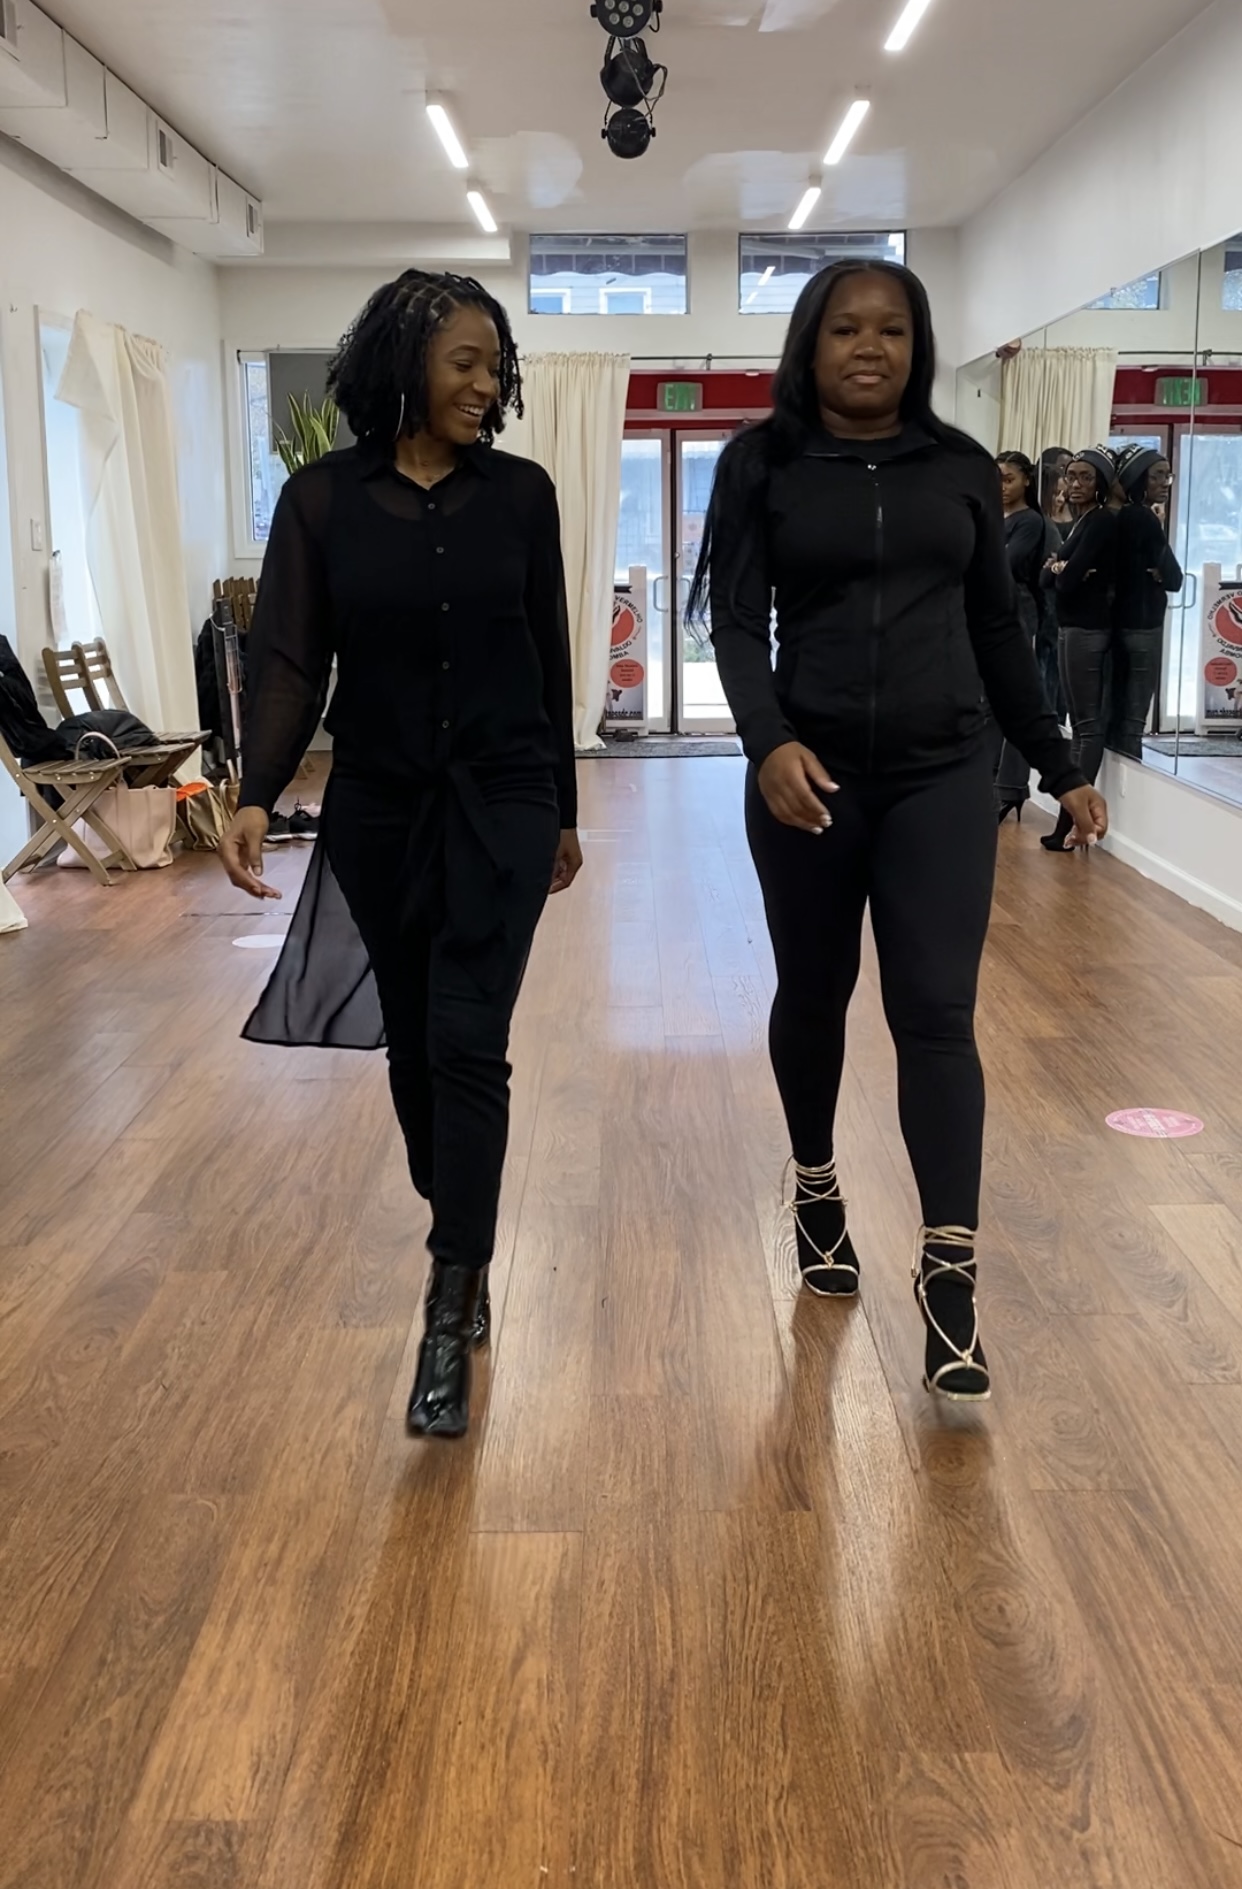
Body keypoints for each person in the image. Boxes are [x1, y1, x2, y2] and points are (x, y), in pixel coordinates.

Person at [689, 260, 1105, 1403]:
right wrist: (767, 742)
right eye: (844, 329)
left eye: (891, 330)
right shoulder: (760, 465)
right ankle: (816, 1182)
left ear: (917, 347)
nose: (868, 347)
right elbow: (735, 624)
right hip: (809, 780)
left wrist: (1061, 763)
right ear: (809, 343)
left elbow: (998, 632)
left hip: (941, 776)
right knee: (814, 993)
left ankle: (950, 1271)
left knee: (936, 1013)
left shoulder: (960, 469)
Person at [220, 270, 583, 1440]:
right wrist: (254, 791)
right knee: (420, 1051)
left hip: (504, 798)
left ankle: (447, 1302)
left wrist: (565, 808)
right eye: (464, 363)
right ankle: (459, 1225)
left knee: (470, 1040)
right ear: (404, 363)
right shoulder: (323, 500)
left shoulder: (521, 496)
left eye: (495, 366)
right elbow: (289, 659)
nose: (486, 385)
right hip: (378, 808)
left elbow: (549, 653)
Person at [1040, 446, 1119, 852]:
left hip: (1088, 629)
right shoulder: (1080, 523)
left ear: (1101, 483)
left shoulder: (1101, 520)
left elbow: (1065, 581)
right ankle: (1065, 824)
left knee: (1087, 726)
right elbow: (1047, 578)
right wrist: (1062, 569)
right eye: (1071, 476)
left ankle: (1072, 826)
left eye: (1086, 477)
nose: (1075, 484)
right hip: (1070, 626)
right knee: (1076, 726)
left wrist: (1062, 568)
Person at [1108, 443, 1183, 759]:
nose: (1165, 483)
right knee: (1134, 716)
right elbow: (1175, 579)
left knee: (1116, 708)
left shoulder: (1114, 515)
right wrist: (1160, 573)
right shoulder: (1144, 518)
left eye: (1168, 476)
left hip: (1116, 622)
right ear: (1138, 478)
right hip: (1143, 625)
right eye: (1157, 476)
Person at [994, 451, 1049, 821]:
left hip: (1018, 614)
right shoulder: (992, 518)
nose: (1001, 486)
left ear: (1027, 480)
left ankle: (1012, 786)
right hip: (990, 611)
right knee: (988, 702)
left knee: (1015, 699)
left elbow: (1006, 563)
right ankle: (994, 781)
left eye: (1008, 478)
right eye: (996, 479)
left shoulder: (1029, 521)